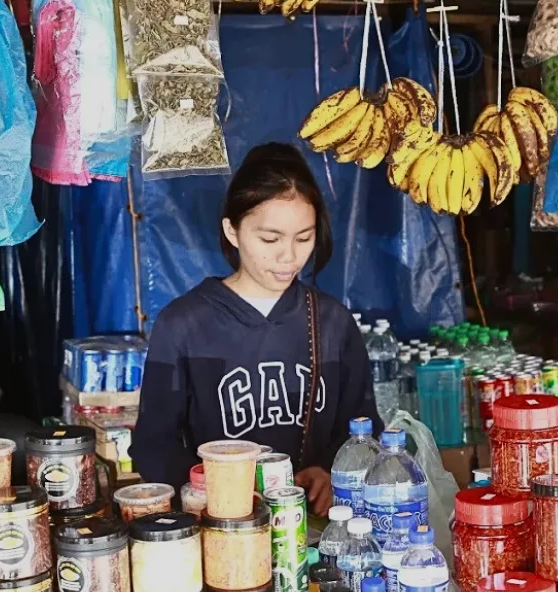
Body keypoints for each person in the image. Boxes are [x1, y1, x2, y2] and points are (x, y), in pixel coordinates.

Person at [132, 143, 380, 515]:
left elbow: (364, 429)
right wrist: (218, 497)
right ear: (232, 231)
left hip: (314, 532)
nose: (288, 257)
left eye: (304, 238)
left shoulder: (332, 322)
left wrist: (332, 473)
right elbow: (154, 446)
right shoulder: (183, 325)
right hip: (222, 530)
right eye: (270, 239)